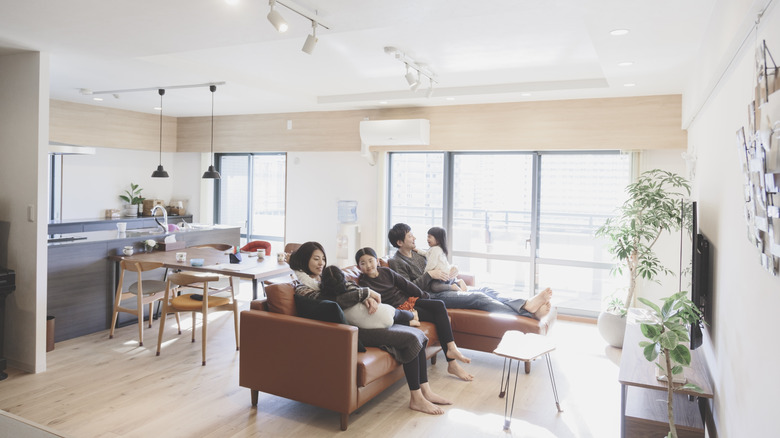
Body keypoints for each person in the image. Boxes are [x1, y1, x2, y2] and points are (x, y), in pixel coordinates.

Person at [288, 241, 451, 414]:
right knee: (411, 338)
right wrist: (364, 294)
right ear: (306, 260)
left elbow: (348, 286)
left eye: (323, 258)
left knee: (418, 335)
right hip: (350, 332)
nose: (321, 263)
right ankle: (416, 399)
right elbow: (330, 302)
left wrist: (364, 296)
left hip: (361, 322)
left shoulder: (324, 278)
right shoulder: (302, 288)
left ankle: (425, 391)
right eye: (316, 259)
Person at [355, 247, 475, 382]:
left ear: (377, 261)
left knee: (439, 305)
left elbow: (406, 285)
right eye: (363, 263)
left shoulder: (386, 272)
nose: (368, 265)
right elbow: (376, 304)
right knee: (438, 316)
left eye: (370, 261)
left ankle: (451, 350)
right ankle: (452, 362)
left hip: (409, 300)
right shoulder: (364, 284)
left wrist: (424, 296)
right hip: (399, 310)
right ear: (359, 267)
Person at [387, 223, 553, 319]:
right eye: (410, 236)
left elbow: (440, 265)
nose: (414, 238)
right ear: (400, 242)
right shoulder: (396, 262)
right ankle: (527, 313)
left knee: (486, 289)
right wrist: (429, 275)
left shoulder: (418, 253)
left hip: (444, 286)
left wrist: (454, 273)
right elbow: (408, 290)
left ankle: (525, 304)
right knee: (478, 297)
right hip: (431, 296)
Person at [320, 265, 417, 328]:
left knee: (390, 318)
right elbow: (355, 289)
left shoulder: (327, 299)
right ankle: (413, 316)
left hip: (371, 325)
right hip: (385, 313)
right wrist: (366, 295)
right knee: (397, 313)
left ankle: (409, 322)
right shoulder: (350, 290)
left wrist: (365, 297)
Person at [416, 226, 467, 292]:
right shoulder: (437, 249)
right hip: (447, 274)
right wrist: (417, 250)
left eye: (429, 237)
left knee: (434, 287)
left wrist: (425, 274)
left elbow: (431, 264)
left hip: (443, 276)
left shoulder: (435, 250)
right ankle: (457, 282)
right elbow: (426, 254)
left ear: (438, 239)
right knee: (439, 285)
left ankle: (453, 286)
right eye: (427, 236)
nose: (427, 239)